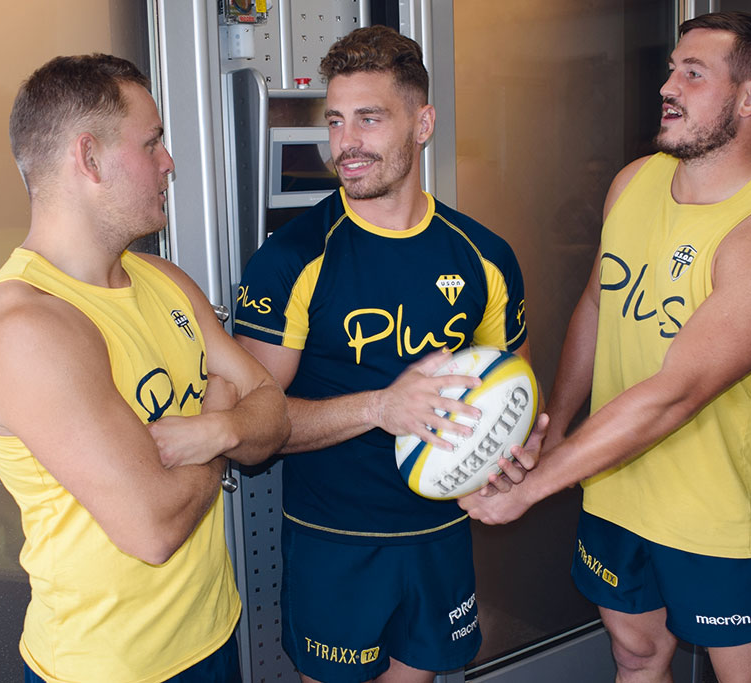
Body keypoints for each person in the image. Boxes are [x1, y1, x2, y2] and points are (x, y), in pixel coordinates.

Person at [460, 11, 751, 683]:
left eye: (693, 72)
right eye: (671, 68)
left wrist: (534, 486)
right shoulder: (635, 181)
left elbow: (674, 393)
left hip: (717, 514)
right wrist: (552, 426)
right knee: (635, 656)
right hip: (615, 493)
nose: (668, 85)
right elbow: (600, 304)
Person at [0, 54, 290, 683]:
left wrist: (212, 430)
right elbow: (155, 526)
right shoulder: (25, 326)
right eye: (153, 143)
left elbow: (270, 409)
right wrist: (225, 412)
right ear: (89, 158)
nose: (169, 162)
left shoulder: (162, 279)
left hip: (213, 634)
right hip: (110, 668)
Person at [234, 25, 538, 683]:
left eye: (369, 119)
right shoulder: (292, 260)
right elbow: (245, 433)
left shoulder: (484, 256)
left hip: (441, 539)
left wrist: (513, 448)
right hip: (335, 543)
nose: (346, 143)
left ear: (422, 122)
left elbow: (510, 384)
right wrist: (379, 406)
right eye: (336, 121)